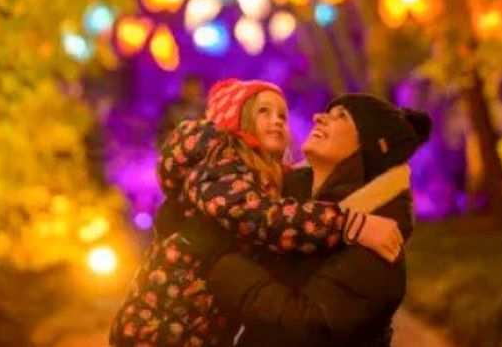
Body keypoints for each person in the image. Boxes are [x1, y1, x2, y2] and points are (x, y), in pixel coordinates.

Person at [109, 81, 405, 347]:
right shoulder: (220, 160)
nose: (277, 121)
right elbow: (263, 218)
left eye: (282, 116)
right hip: (159, 328)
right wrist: (348, 223)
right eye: (264, 111)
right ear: (237, 120)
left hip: (195, 330)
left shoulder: (266, 179)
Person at [187, 93, 432, 347]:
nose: (319, 117)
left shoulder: (379, 245)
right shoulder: (283, 203)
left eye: (341, 116)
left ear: (369, 147)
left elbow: (306, 327)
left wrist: (221, 265)